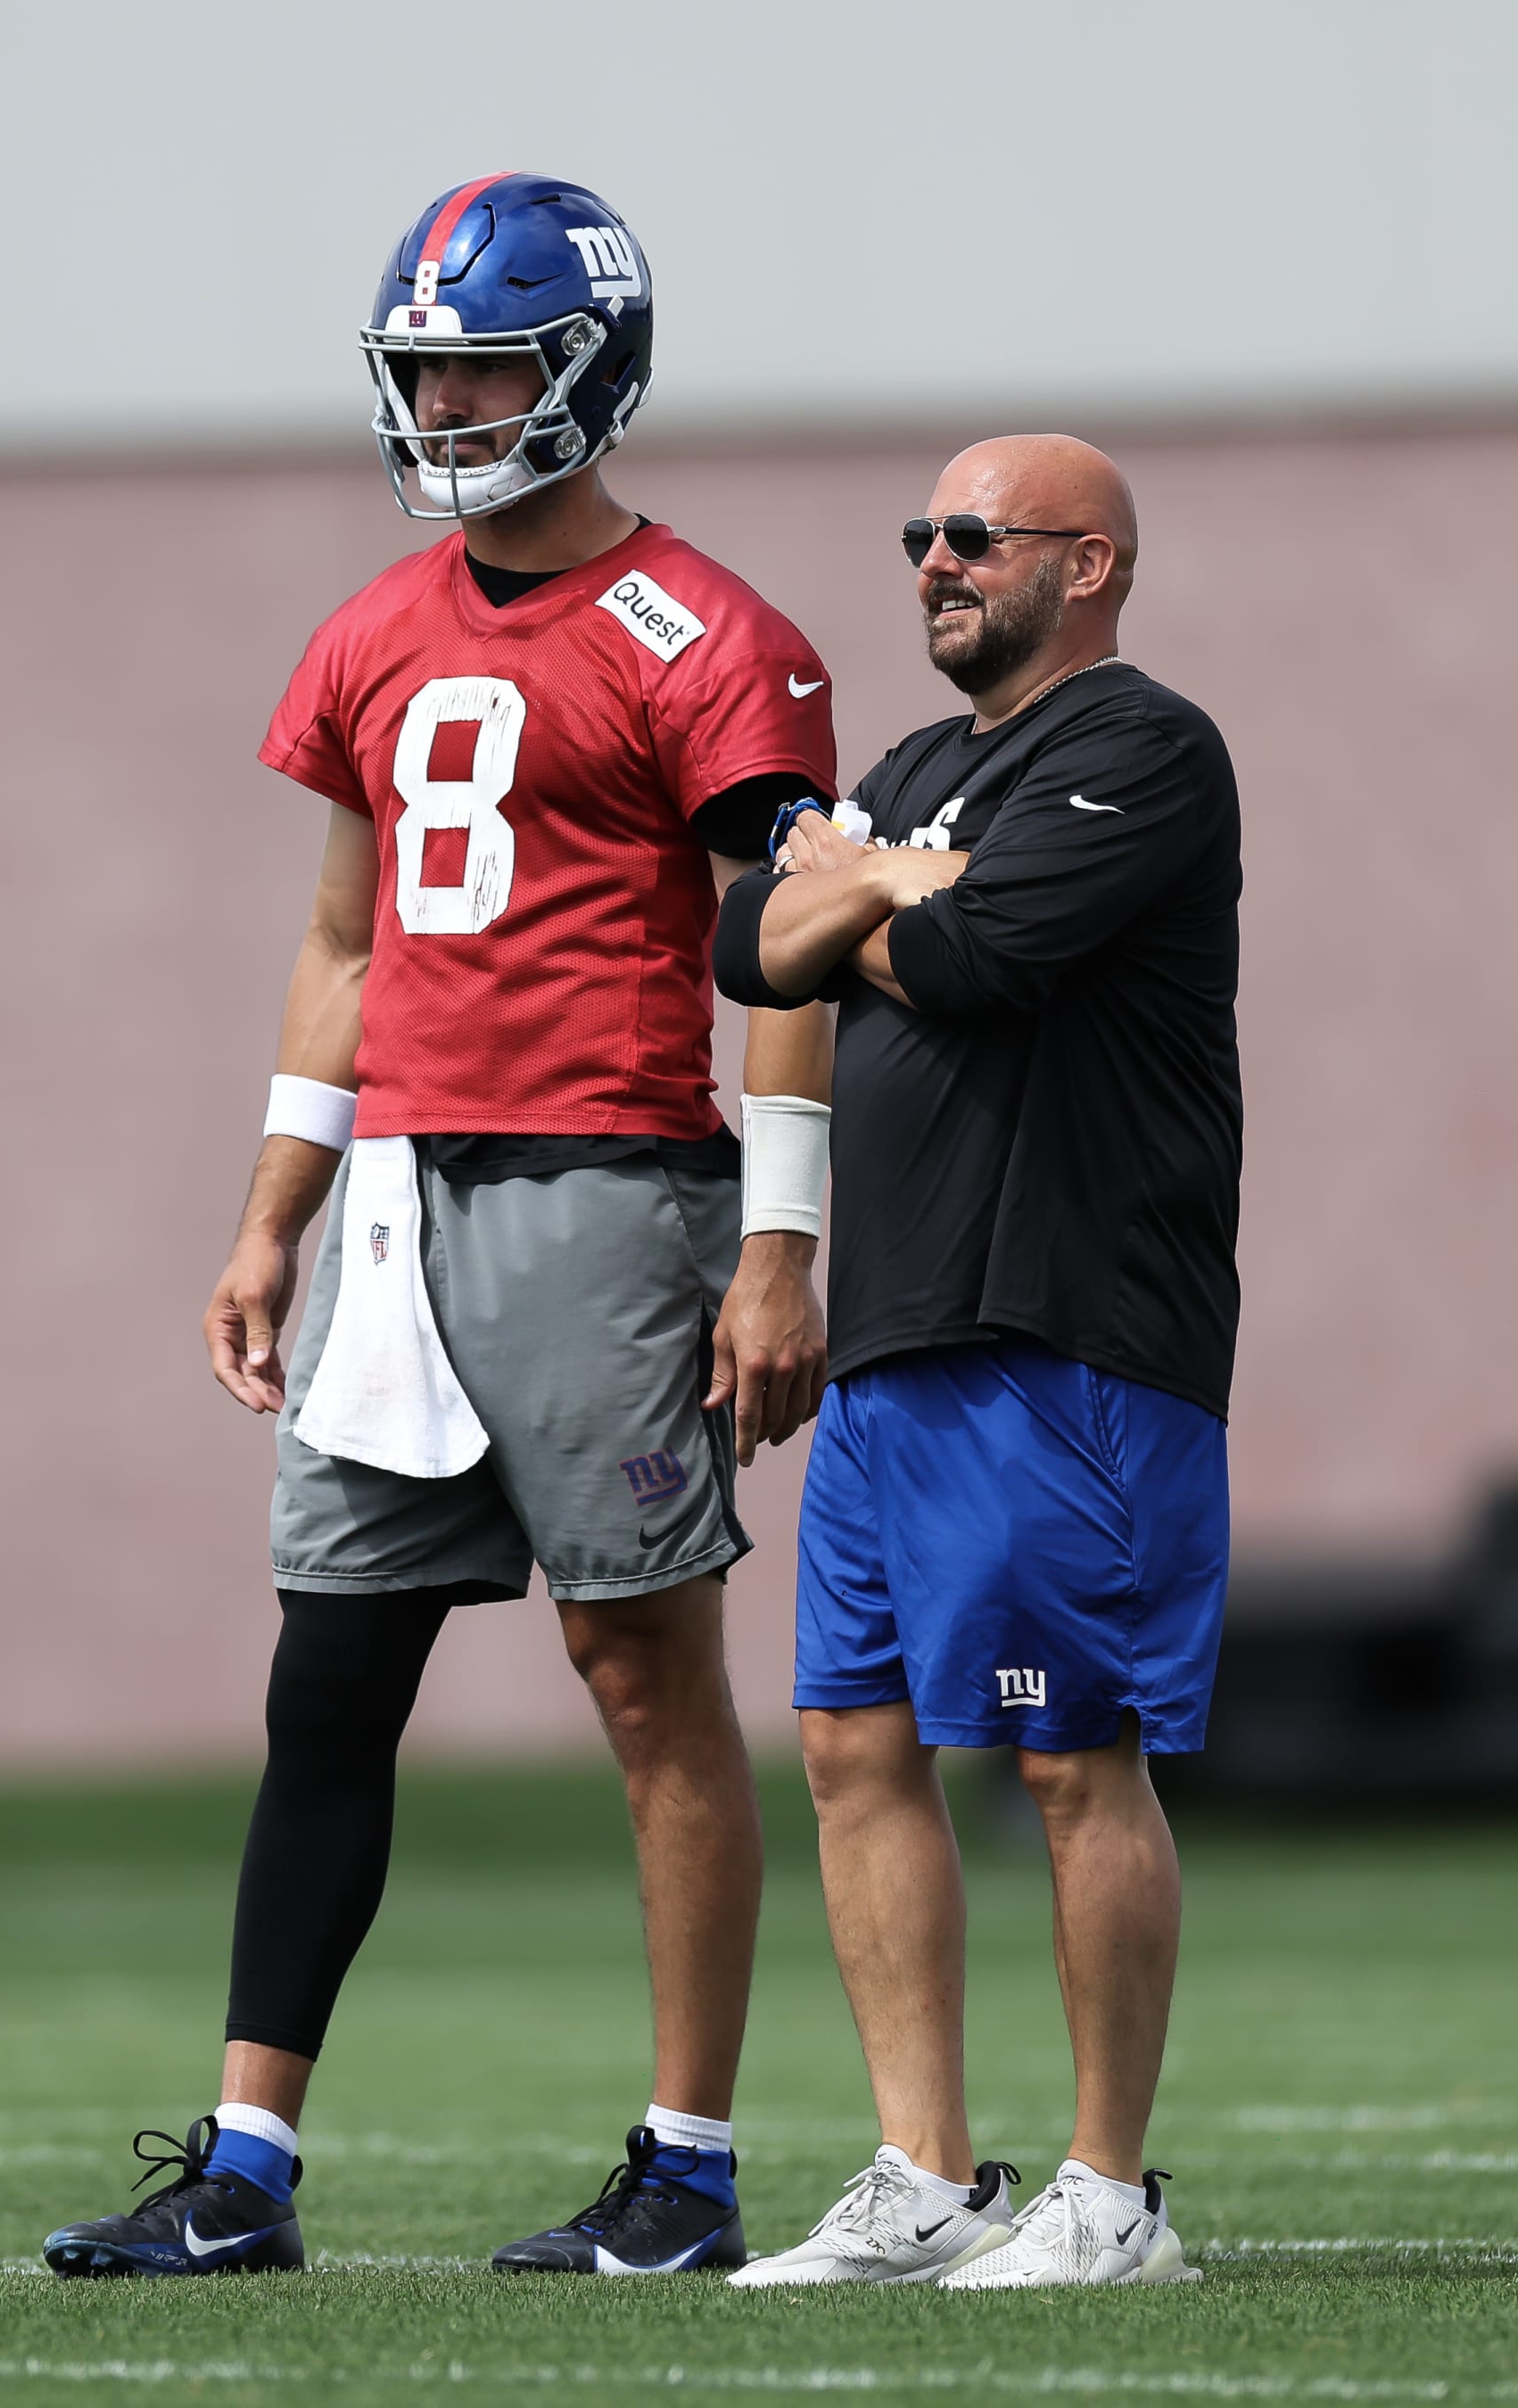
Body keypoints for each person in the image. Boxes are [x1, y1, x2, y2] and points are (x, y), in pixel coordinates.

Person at [43, 172, 837, 2281]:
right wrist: (270, 1219)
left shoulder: (708, 633)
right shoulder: (374, 629)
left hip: (606, 1186)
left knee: (641, 1667)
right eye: (428, 370)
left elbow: (792, 947)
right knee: (330, 1672)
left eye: (487, 366)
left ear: (592, 369)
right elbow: (345, 944)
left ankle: (686, 2171)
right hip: (395, 1204)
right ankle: (244, 2169)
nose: (451, 405)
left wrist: (780, 1247)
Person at [713, 434, 1241, 2289]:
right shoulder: (913, 774)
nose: (935, 563)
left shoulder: (1145, 747)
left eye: (974, 537)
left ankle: (1110, 2196)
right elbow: (750, 948)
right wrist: (896, 878)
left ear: (1086, 565)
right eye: (920, 536)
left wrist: (862, 894)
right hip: (897, 1331)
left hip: (1066, 1323)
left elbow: (990, 955)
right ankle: (924, 2177)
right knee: (852, 1744)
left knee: (1069, 1755)